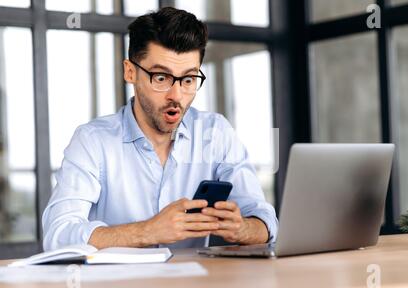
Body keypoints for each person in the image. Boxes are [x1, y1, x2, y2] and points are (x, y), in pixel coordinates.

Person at [42, 7, 278, 251]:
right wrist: (149, 230)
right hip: (117, 287)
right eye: (161, 78)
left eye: (188, 80)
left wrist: (243, 228)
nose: (176, 95)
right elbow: (58, 234)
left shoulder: (215, 133)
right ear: (130, 71)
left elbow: (265, 221)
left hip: (193, 287)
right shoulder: (92, 141)